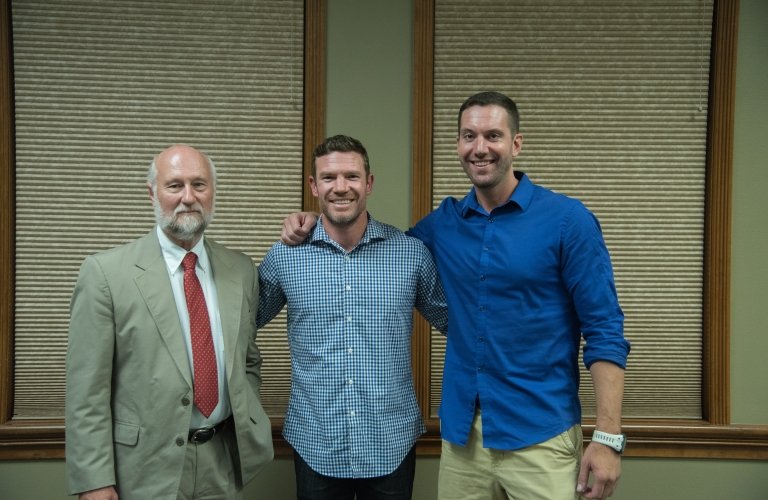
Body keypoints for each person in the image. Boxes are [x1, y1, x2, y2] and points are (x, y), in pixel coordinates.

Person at [281, 92, 631, 500]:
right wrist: (313, 223)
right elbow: (371, 252)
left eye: (493, 135)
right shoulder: (439, 228)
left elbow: (605, 330)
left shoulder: (568, 222)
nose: (480, 147)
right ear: (458, 145)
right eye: (469, 136)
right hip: (463, 441)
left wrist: (608, 437)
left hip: (542, 435)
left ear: (516, 144)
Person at [65, 144, 274, 500]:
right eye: (175, 185)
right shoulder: (106, 273)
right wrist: (94, 480)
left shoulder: (240, 270)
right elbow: (87, 391)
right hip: (143, 468)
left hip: (222, 463)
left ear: (213, 193)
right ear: (152, 193)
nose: (188, 197)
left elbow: (248, 360)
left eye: (199, 185)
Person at [257, 134, 448, 500]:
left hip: (390, 440)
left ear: (369, 183)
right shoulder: (285, 257)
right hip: (316, 441)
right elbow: (238, 322)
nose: (340, 187)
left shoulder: (410, 255)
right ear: (314, 186)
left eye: (352, 176)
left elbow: (458, 323)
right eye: (329, 178)